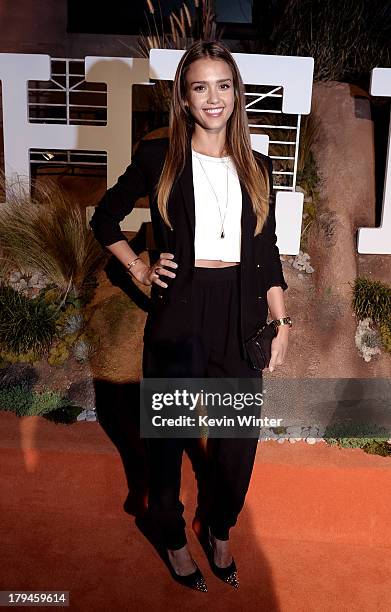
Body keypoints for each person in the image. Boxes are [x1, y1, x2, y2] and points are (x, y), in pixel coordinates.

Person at [89, 40, 290, 592]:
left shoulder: (260, 166)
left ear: (236, 93)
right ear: (183, 97)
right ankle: (172, 533)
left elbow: (267, 247)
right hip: (181, 308)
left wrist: (281, 319)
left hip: (241, 311)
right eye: (199, 86)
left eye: (222, 85)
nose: (213, 97)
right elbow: (105, 218)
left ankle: (219, 525)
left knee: (236, 439)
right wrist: (138, 268)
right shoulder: (160, 158)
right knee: (169, 435)